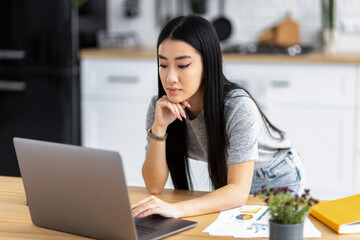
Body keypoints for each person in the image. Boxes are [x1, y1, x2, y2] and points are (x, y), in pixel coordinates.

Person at [131, 15, 306, 219]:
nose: (170, 78)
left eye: (183, 65)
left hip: (275, 178)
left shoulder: (238, 107)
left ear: (207, 65)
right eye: (163, 65)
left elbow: (238, 192)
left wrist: (177, 209)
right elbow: (154, 185)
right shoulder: (161, 107)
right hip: (231, 184)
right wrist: (159, 127)